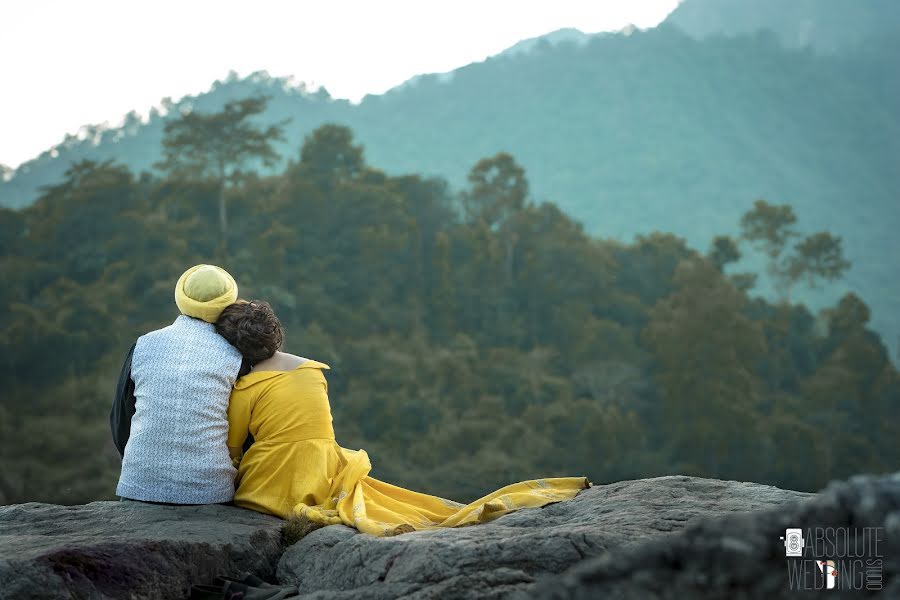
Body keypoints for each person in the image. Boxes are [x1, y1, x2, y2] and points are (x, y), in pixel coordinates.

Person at [215, 300, 589, 536]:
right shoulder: (313, 370)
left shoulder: (247, 388)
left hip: (277, 478)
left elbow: (231, 451)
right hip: (324, 465)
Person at [110, 264, 250, 504]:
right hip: (209, 493)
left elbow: (121, 420)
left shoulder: (143, 345)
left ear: (181, 299)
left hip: (139, 485)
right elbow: (244, 432)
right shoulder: (236, 356)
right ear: (229, 302)